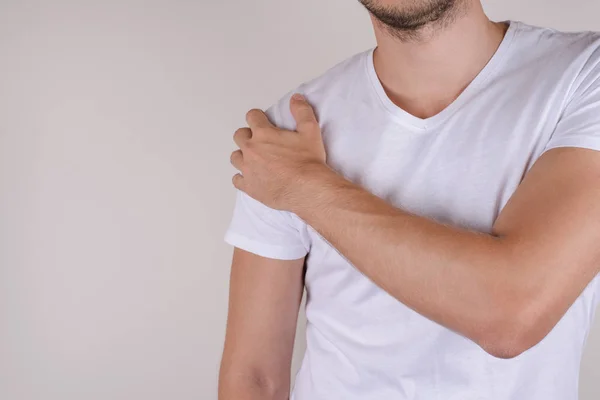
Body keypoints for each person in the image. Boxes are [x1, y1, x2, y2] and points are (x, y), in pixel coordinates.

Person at [219, 1, 600, 399]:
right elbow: (254, 377)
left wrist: (306, 187)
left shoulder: (583, 75)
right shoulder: (287, 132)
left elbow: (513, 313)